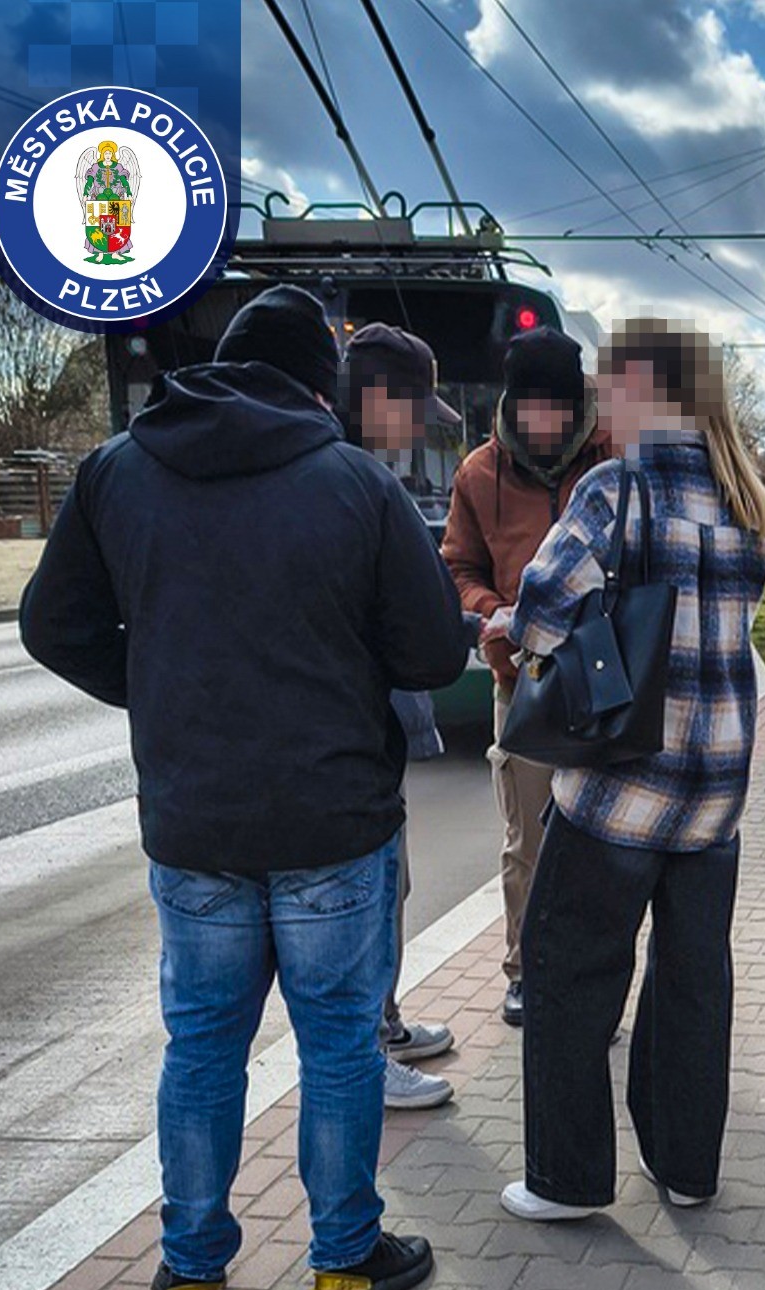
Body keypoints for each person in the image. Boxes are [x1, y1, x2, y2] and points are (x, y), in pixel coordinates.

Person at [20, 285, 471, 1290]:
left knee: (202, 1047)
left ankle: (190, 1272)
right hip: (331, 822)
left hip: (194, 822)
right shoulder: (355, 485)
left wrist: (161, 684)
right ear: (322, 383)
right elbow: (433, 652)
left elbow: (53, 625)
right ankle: (345, 1261)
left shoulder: (118, 470)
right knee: (340, 1047)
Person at [488, 318, 765, 1222]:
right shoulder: (747, 504)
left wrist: (508, 631)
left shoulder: (618, 489)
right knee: (693, 984)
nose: (600, 401)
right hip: (716, 792)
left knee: (570, 971)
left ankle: (567, 1181)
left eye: (612, 383)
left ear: (648, 389)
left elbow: (541, 607)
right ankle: (687, 1168)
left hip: (619, 789)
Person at [440, 326, 612, 1027]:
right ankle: (525, 970)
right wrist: (492, 610)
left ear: (577, 406)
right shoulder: (479, 472)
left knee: (607, 842)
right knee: (530, 843)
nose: (546, 423)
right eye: (532, 407)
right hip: (524, 685)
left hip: (608, 685)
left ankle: (598, 975)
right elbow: (459, 567)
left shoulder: (615, 459)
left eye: (559, 408)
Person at [342, 322, 467, 1109]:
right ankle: (366, 1052)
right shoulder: (350, 482)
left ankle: (380, 1026)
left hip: (366, 746)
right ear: (376, 398)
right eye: (413, 409)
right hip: (348, 749)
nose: (419, 430)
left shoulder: (359, 471)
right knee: (361, 910)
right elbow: (413, 639)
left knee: (391, 886)